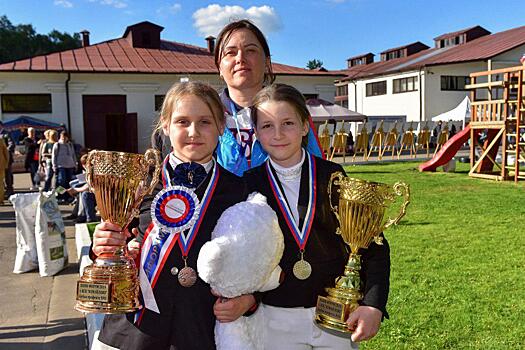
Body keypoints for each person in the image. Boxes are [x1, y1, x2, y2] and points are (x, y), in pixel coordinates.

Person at [92, 82, 252, 349]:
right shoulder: (138, 183)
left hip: (204, 326)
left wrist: (249, 300)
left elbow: (257, 257)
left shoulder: (239, 190)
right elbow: (114, 240)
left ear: (221, 127)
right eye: (182, 122)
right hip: (137, 327)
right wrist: (103, 246)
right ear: (165, 126)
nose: (193, 132)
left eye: (205, 122)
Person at [244, 84, 390, 349]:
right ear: (256, 133)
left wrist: (373, 304)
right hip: (275, 318)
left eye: (287, 123)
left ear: (304, 127)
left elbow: (372, 242)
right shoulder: (247, 185)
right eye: (266, 126)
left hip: (336, 316)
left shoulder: (333, 177)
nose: (278, 134)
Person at [213, 19, 322, 175]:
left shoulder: (290, 110)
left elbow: (316, 171)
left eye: (250, 50)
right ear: (219, 67)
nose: (240, 58)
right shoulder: (206, 114)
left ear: (266, 62)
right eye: (230, 52)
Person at [52, 131, 77, 202]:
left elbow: (73, 155)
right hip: (61, 166)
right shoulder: (57, 144)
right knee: (61, 182)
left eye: (65, 137)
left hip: (70, 165)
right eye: (62, 137)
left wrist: (75, 164)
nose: (63, 138)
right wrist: (54, 166)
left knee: (69, 182)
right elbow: (54, 156)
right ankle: (60, 196)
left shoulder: (70, 144)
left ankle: (68, 196)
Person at [0, 137, 8, 204]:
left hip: (1, 165)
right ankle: (0, 199)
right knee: (1, 183)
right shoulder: (1, 140)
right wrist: (6, 163)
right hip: (1, 164)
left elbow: (5, 152)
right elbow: (6, 152)